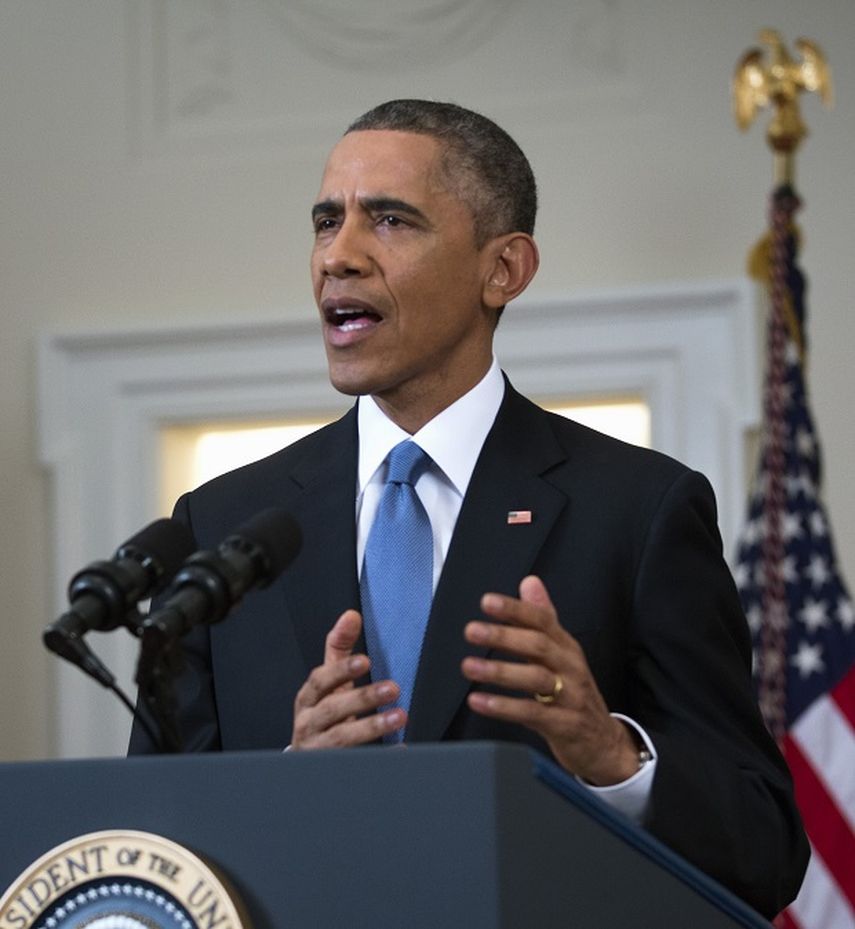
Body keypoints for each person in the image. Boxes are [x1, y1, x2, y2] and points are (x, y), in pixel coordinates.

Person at [129, 99, 808, 917]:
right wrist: (285, 780)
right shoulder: (224, 525)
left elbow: (766, 851)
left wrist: (608, 750)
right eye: (324, 221)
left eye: (388, 220)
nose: (336, 257)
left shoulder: (636, 509)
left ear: (504, 269)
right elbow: (151, 858)